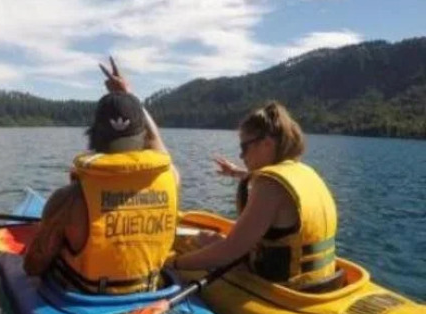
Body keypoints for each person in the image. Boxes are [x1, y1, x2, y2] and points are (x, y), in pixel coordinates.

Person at [24, 58, 180, 295]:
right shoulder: (171, 177)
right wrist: (129, 97)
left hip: (85, 300)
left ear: (93, 136)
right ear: (142, 138)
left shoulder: (68, 199)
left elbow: (33, 267)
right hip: (150, 294)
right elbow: (157, 142)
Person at [171, 102, 341, 292]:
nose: (241, 155)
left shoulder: (268, 184)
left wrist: (174, 263)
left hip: (289, 289)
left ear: (267, 143)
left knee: (201, 243)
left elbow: (228, 251)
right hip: (324, 280)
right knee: (206, 237)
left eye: (244, 147)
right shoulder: (305, 172)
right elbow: (281, 193)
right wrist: (237, 173)